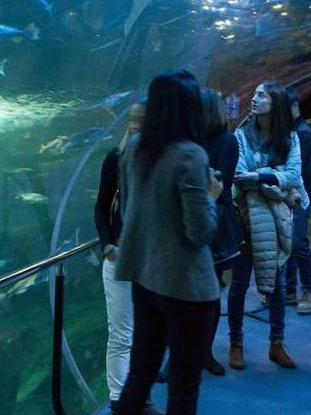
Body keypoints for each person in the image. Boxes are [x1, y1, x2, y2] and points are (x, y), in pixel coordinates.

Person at [114, 70, 224, 415]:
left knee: (140, 372)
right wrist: (212, 195)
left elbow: (131, 209)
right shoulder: (190, 155)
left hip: (146, 278)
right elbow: (199, 232)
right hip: (186, 286)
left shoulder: (134, 149)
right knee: (183, 388)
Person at [228, 80, 307, 371]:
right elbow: (238, 175)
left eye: (262, 95)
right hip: (245, 216)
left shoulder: (290, 139)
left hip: (277, 218)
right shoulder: (241, 135)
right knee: (238, 283)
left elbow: (294, 176)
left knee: (276, 280)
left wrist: (259, 177)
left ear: (276, 103)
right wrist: (273, 177)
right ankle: (236, 343)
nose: (255, 98)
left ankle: (277, 343)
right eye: (256, 93)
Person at [94, 100, 146, 410]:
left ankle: (139, 393)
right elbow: (101, 207)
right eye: (133, 118)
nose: (135, 124)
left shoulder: (159, 162)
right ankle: (118, 399)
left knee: (145, 330)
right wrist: (107, 245)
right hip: (118, 258)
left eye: (142, 119)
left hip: (150, 262)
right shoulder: (115, 157)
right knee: (121, 332)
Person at [200, 89, 240, 376]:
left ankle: (205, 351)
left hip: (215, 222)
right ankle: (185, 349)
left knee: (212, 291)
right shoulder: (189, 141)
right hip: (192, 219)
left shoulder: (227, 140)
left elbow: (221, 179)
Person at [284, 90, 311, 314]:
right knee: (287, 242)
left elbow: (296, 170)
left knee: (297, 242)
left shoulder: (303, 132)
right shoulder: (290, 130)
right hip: (287, 193)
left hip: (300, 195)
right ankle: (288, 290)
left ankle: (309, 289)